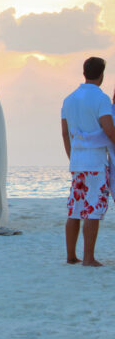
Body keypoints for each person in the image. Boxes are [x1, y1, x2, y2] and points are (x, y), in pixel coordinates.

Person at [61, 57, 115, 266]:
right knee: (93, 209)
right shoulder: (100, 99)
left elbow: (65, 133)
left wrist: (72, 156)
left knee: (75, 208)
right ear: (102, 75)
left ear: (84, 72)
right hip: (95, 162)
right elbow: (109, 131)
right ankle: (89, 257)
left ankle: (71, 255)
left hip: (77, 161)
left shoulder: (69, 99)